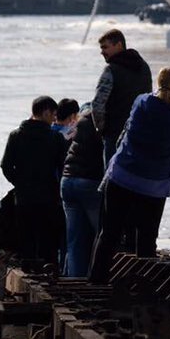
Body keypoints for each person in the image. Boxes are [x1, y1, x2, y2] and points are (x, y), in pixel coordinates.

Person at [88, 68, 170, 283]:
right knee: (146, 238)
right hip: (153, 186)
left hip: (122, 176)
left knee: (109, 233)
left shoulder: (141, 102)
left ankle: (96, 280)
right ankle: (142, 284)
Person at [0, 96, 68, 269]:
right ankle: (49, 275)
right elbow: (63, 168)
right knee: (48, 242)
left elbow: (6, 165)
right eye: (53, 114)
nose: (54, 118)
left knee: (26, 240)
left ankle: (29, 271)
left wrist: (20, 183)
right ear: (45, 112)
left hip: (24, 198)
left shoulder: (16, 135)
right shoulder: (55, 138)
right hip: (49, 197)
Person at [90, 29, 152, 163]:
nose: (102, 52)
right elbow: (149, 100)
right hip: (139, 133)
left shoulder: (111, 69)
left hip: (114, 134)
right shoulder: (144, 67)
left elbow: (97, 105)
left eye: (105, 47)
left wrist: (102, 130)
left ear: (118, 45)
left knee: (112, 178)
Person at [60, 103, 104, 277]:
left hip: (68, 180)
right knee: (102, 236)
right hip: (90, 182)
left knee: (75, 240)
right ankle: (97, 280)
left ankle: (74, 281)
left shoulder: (81, 121)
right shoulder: (104, 124)